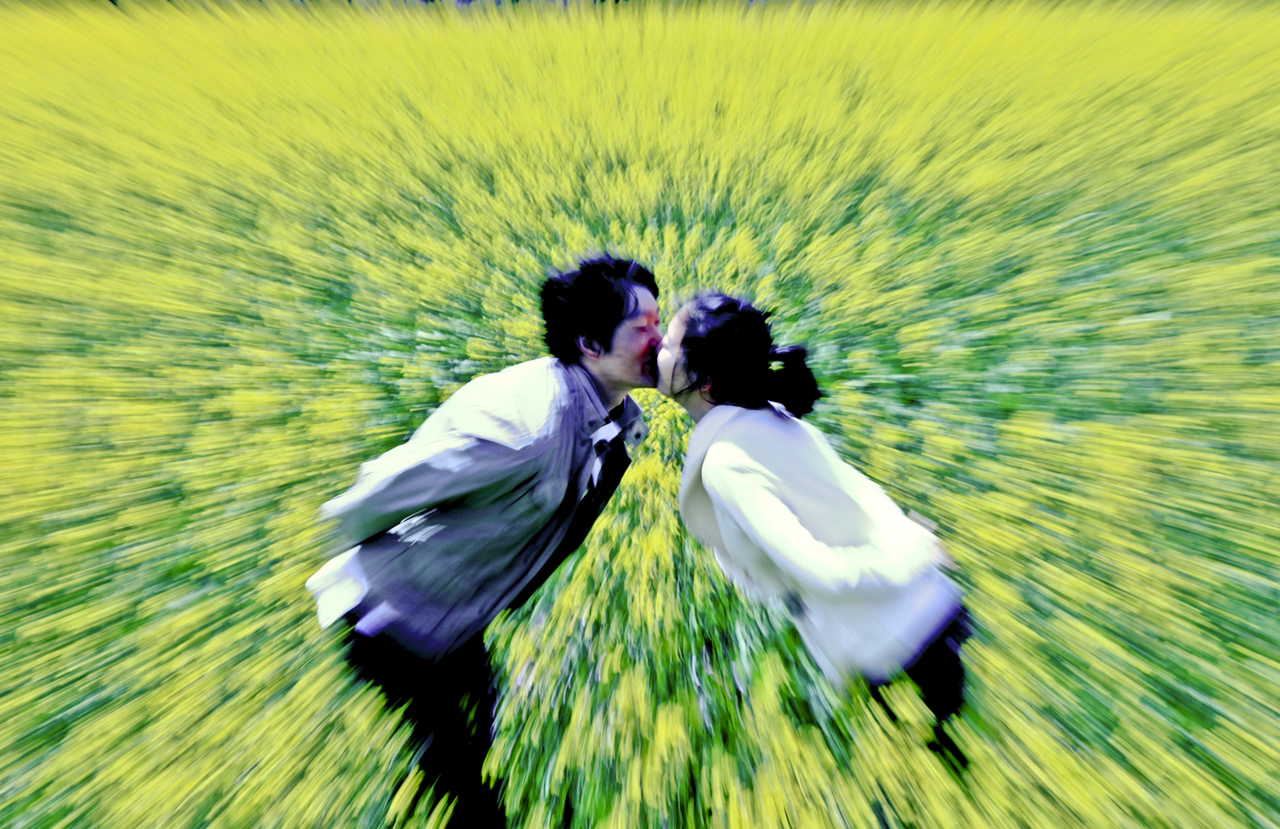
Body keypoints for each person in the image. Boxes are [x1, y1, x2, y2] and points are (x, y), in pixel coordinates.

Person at [305, 255, 663, 825]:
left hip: (452, 614)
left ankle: (442, 794)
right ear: (591, 344)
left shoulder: (615, 417)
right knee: (461, 777)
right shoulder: (523, 427)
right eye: (643, 327)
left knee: (472, 730)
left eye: (660, 321)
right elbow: (380, 491)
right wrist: (357, 563)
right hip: (387, 612)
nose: (660, 339)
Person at [655, 291, 972, 770]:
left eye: (668, 344)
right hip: (925, 610)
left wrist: (914, 552)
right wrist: (911, 546)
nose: (657, 345)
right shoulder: (771, 417)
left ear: (704, 381)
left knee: (946, 771)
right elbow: (858, 491)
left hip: (899, 638)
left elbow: (825, 574)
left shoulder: (727, 461)